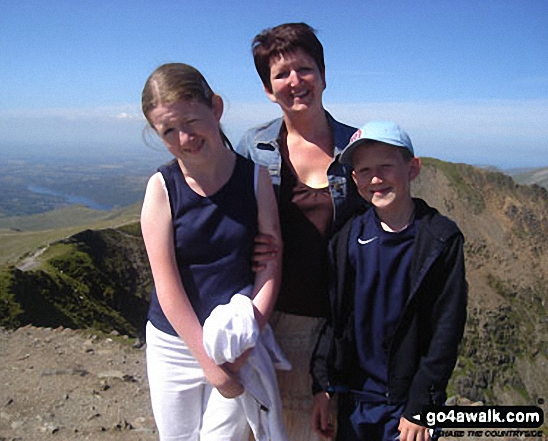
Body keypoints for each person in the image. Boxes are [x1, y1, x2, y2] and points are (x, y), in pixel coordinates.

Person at [236, 22, 366, 440]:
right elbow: (224, 219)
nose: (295, 82)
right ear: (267, 89)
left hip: (325, 327)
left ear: (323, 75)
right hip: (263, 321)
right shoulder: (252, 147)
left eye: (305, 69)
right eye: (281, 74)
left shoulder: (357, 149)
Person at [140, 63, 282, 441]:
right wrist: (210, 365)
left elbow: (270, 264)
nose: (184, 138)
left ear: (215, 107)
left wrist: (248, 338)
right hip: (174, 345)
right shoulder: (161, 188)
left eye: (191, 121)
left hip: (235, 340)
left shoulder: (255, 179)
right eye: (168, 131)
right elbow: (166, 286)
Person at [310, 121, 468, 441]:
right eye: (365, 170)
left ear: (412, 168)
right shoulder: (347, 239)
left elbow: (445, 332)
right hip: (354, 400)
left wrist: (422, 404)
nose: (376, 178)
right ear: (354, 180)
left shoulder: (440, 240)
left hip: (407, 406)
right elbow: (334, 319)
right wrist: (323, 387)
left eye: (386, 166)